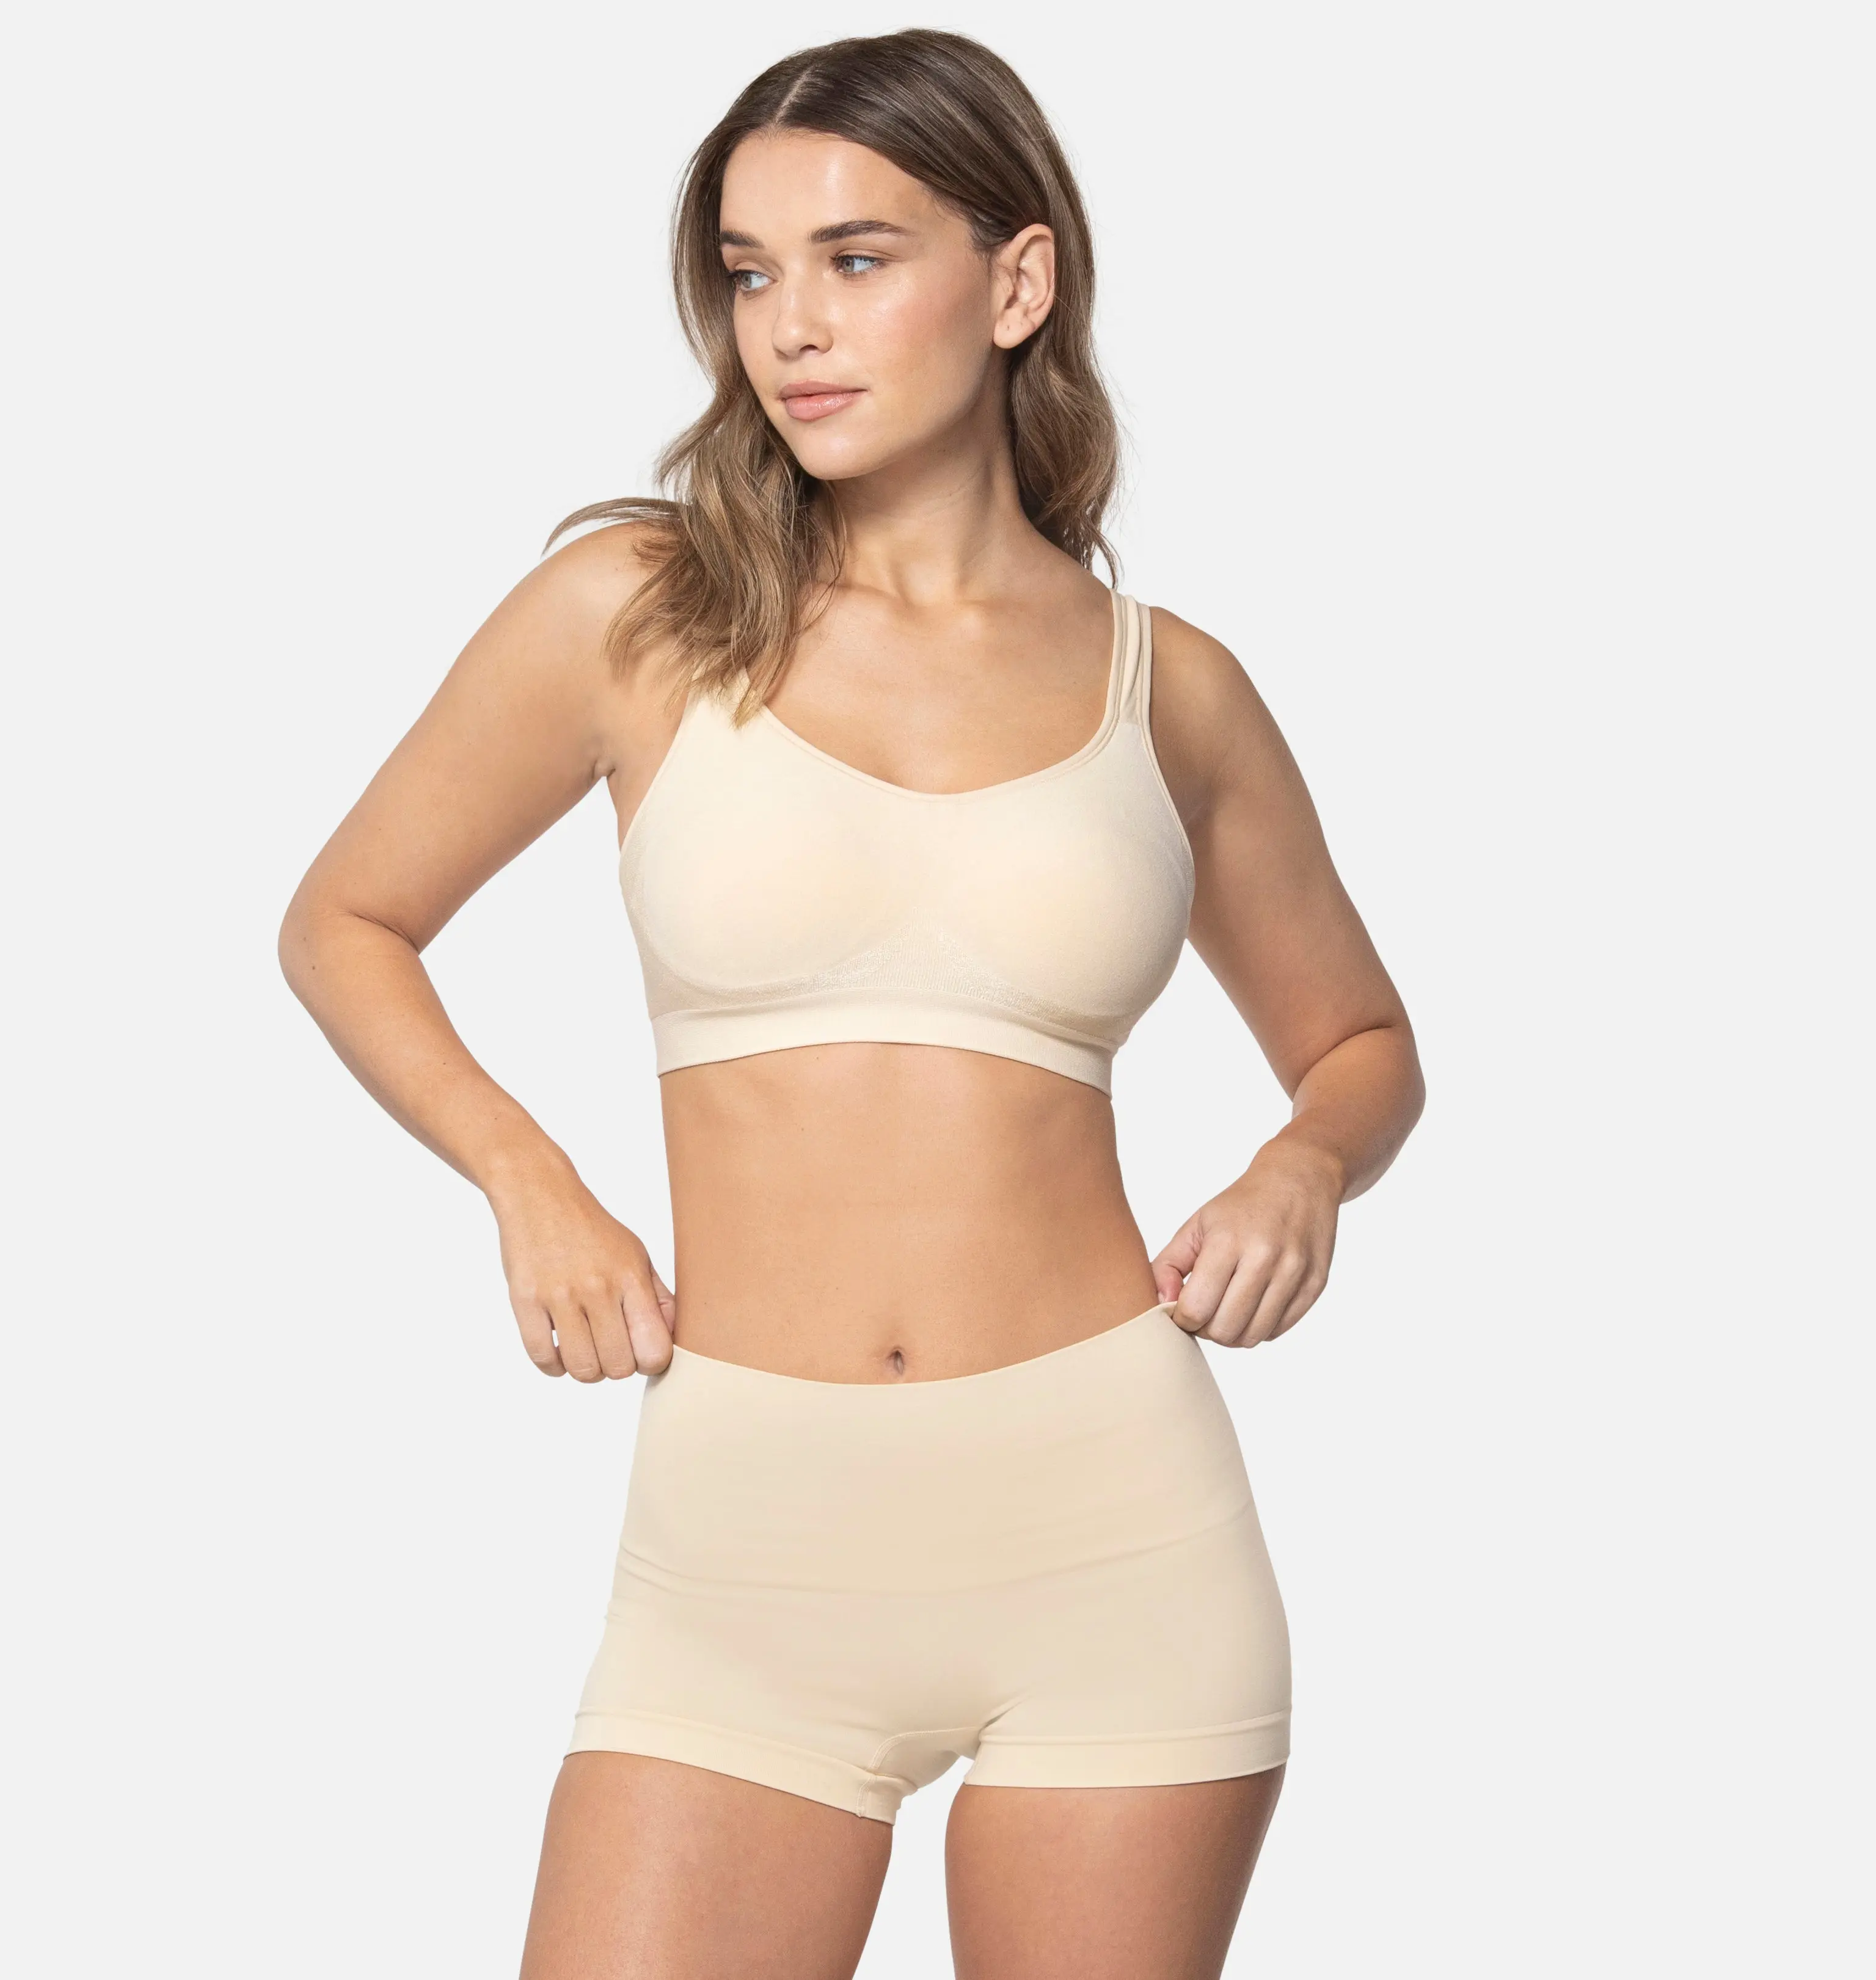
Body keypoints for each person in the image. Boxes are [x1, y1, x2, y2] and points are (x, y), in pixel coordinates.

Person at [279, 27, 1424, 1980]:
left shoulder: (1174, 689)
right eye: (749, 272)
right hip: (741, 1558)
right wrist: (529, 1182)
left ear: (1018, 281)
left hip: (1116, 1536)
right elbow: (348, 919)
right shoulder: (637, 614)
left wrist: (1303, 1167)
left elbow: (1362, 1045)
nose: (790, 327)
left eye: (857, 258)